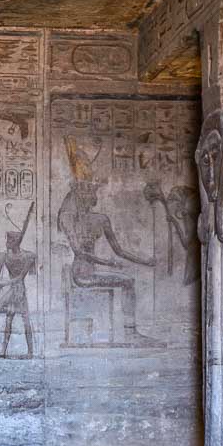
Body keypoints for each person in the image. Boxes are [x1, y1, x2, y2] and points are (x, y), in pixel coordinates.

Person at [58, 136, 156, 345]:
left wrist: (144, 261)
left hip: (91, 272)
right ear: (78, 193)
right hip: (81, 275)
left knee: (128, 280)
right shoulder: (68, 217)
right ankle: (130, 332)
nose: (92, 195)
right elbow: (80, 252)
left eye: (92, 190)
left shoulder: (101, 219)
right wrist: (108, 263)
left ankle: (131, 332)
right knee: (127, 282)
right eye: (88, 190)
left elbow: (119, 250)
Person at [0, 202, 36, 357]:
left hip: (19, 291)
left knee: (26, 321)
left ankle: (30, 352)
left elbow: (20, 277)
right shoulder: (4, 256)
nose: (7, 243)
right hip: (12, 291)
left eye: (10, 240)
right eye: (7, 240)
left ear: (16, 241)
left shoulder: (27, 256)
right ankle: (3, 351)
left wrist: (5, 282)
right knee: (8, 321)